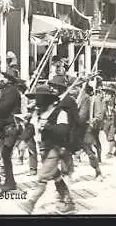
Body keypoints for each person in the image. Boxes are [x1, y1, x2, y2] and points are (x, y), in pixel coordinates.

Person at [19, 84, 76, 214]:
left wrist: (48, 127)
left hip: (55, 150)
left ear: (48, 100)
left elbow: (64, 131)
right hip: (43, 150)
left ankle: (30, 203)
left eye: (40, 99)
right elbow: (31, 129)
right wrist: (23, 140)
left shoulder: (60, 113)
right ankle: (68, 202)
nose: (37, 102)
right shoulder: (37, 113)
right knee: (56, 177)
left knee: (42, 177)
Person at [0, 68, 22, 192]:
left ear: (9, 80)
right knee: (5, 155)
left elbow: (3, 107)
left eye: (5, 77)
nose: (2, 79)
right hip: (4, 126)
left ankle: (10, 181)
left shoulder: (12, 91)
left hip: (11, 126)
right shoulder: (6, 90)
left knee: (6, 153)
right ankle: (9, 180)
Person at [101, 85, 116, 158]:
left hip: (114, 120)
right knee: (109, 137)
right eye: (106, 92)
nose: (106, 93)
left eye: (108, 92)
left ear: (112, 93)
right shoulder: (104, 100)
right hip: (107, 120)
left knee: (110, 137)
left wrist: (112, 109)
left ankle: (110, 153)